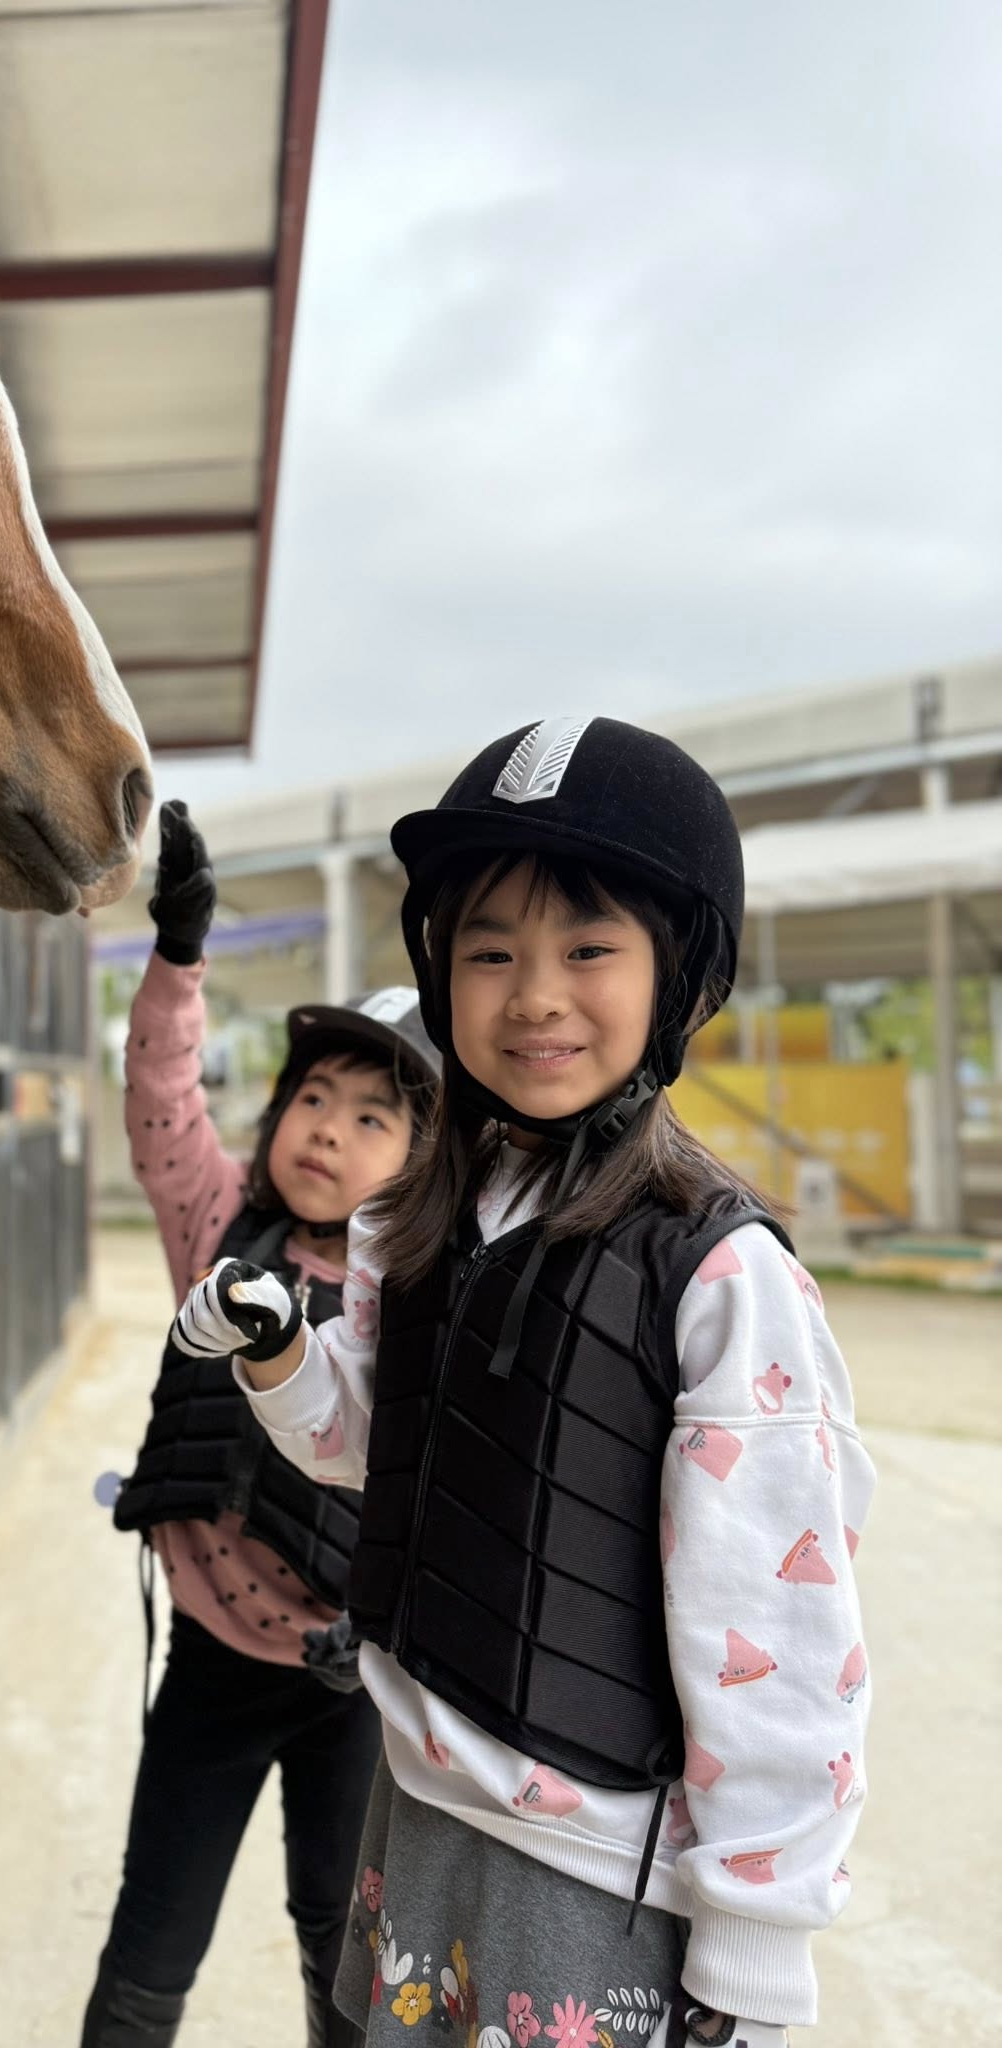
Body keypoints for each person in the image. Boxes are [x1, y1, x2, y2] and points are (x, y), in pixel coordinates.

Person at [169, 721, 874, 2048]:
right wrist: (280, 1352)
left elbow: (780, 1629)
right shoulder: (418, 1221)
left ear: (679, 973)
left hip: (590, 1866)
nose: (535, 995)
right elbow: (382, 1450)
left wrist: (756, 1941)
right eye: (490, 952)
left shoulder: (719, 1276)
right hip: (416, 1806)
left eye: (588, 949)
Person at [83, 802, 441, 2048]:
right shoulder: (218, 1231)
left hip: (354, 1691)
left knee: (344, 1956)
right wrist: (179, 954)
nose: (328, 1127)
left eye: (373, 1115)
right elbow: (161, 1098)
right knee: (150, 1942)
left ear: (427, 1161)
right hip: (211, 1665)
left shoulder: (426, 1296)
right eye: (314, 1096)